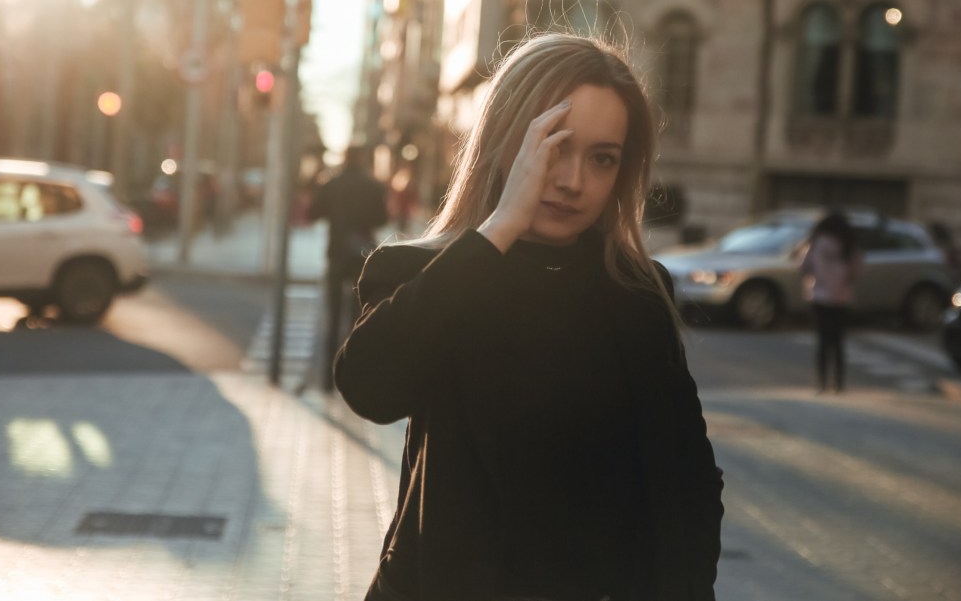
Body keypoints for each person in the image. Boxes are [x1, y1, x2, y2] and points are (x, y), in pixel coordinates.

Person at [333, 33, 724, 601]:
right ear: (506, 143)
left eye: (602, 159)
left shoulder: (637, 292)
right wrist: (496, 231)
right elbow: (369, 388)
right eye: (554, 147)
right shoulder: (419, 272)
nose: (572, 181)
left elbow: (689, 477)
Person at [308, 145, 389, 391]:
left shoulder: (332, 184)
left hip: (337, 253)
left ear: (344, 159)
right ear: (363, 159)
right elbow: (382, 218)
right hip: (361, 255)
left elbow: (314, 212)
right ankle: (352, 378)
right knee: (358, 316)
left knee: (332, 317)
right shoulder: (373, 186)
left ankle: (327, 380)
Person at [799, 211, 864, 394]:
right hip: (842, 297)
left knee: (823, 341)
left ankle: (821, 383)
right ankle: (839, 383)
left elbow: (804, 266)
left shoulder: (817, 241)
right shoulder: (850, 243)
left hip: (819, 296)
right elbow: (857, 270)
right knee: (838, 342)